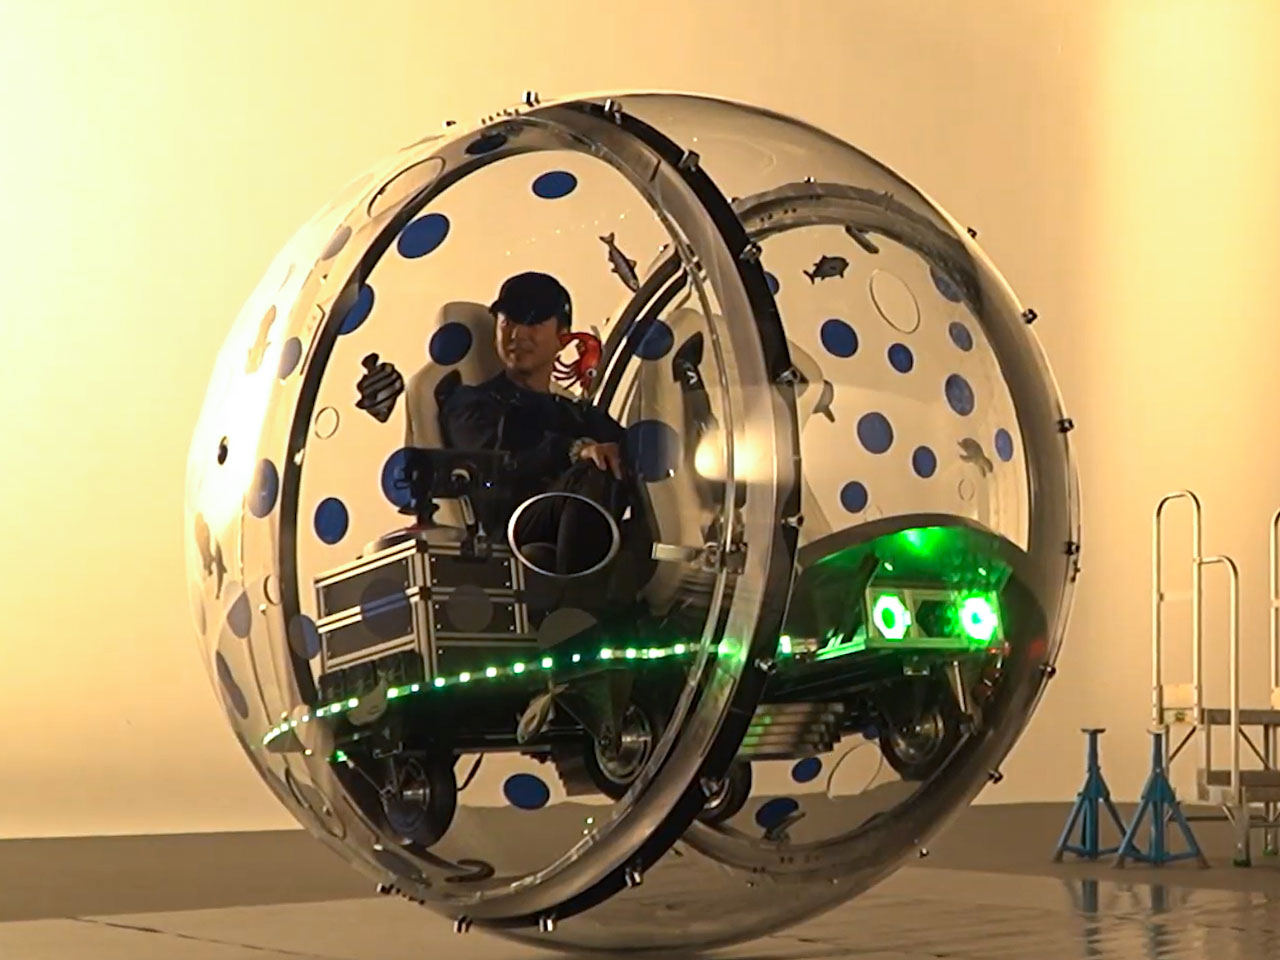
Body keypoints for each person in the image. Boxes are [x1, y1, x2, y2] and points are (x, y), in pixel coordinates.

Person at [438, 272, 645, 590]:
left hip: (571, 526)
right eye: (508, 322)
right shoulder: (471, 404)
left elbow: (630, 448)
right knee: (596, 469)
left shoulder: (573, 412)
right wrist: (576, 450)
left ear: (563, 337)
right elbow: (499, 458)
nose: (517, 334)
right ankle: (578, 607)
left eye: (533, 323)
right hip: (512, 531)